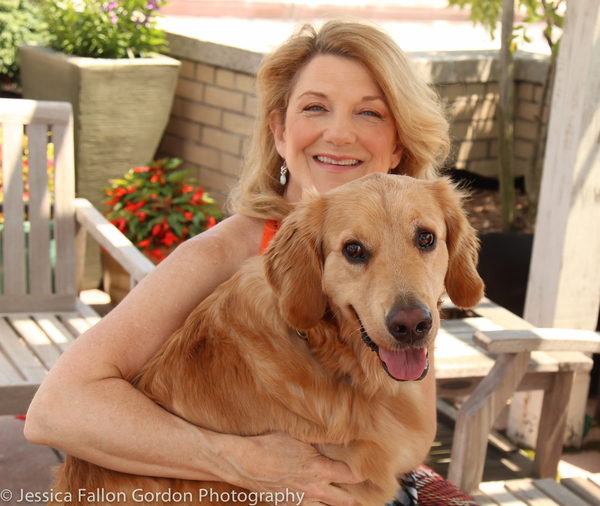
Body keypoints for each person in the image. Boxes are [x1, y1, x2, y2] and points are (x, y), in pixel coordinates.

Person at [25, 19, 463, 506]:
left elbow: (411, 438)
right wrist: (239, 459)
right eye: (315, 107)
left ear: (398, 142)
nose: (339, 133)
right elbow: (55, 409)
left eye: (370, 113)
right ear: (279, 132)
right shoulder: (220, 255)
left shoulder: (412, 251)